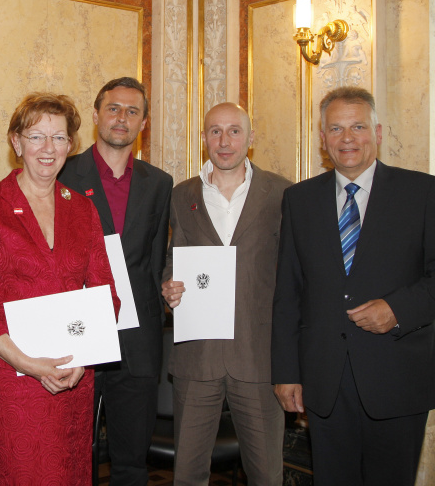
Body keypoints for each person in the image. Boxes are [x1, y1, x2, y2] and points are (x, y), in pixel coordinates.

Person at [272, 86, 435, 486]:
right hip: (324, 380)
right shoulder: (298, 199)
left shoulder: (423, 193)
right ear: (323, 138)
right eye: (336, 129)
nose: (347, 138)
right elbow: (288, 293)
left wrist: (398, 309)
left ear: (377, 132)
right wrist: (285, 371)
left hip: (397, 376)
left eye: (358, 126)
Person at [0, 92, 120, 484]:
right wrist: (26, 363)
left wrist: (82, 358)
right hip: (9, 382)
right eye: (36, 137)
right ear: (16, 142)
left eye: (59, 138)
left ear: (71, 145)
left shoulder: (84, 209)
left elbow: (106, 293)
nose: (49, 149)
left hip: (71, 379)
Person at [162, 102, 290, 486]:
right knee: (187, 473)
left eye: (234, 130)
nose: (224, 140)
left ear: (251, 138)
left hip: (259, 356)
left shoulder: (283, 193)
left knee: (266, 474)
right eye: (215, 131)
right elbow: (173, 260)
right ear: (203, 139)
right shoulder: (182, 194)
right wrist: (169, 288)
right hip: (197, 357)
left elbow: (294, 275)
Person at [59, 77, 172, 485]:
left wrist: (169, 288)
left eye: (132, 111)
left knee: (130, 462)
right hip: (76, 336)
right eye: (113, 108)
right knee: (70, 457)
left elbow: (158, 259)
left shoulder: (159, 184)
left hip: (137, 342)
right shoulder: (64, 174)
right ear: (95, 116)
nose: (121, 118)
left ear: (144, 122)